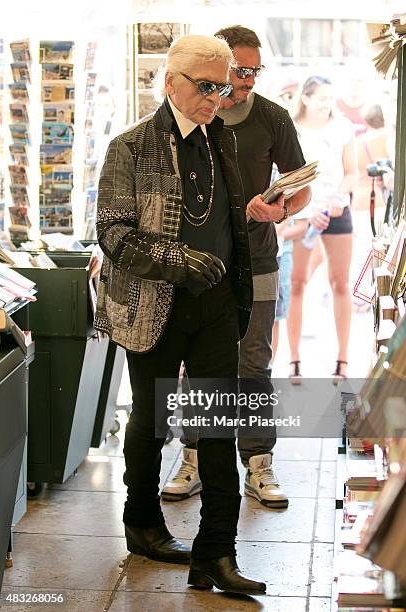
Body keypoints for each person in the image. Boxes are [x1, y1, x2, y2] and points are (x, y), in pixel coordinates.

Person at [95, 34, 265, 595]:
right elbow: (114, 233)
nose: (219, 95)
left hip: (216, 305)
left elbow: (230, 220)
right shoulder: (131, 147)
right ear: (172, 83)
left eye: (225, 84)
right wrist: (182, 260)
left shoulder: (223, 141)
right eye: (207, 85)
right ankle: (142, 522)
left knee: (217, 427)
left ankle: (216, 553)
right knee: (151, 422)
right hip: (153, 304)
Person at [162, 25, 310, 509]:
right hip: (199, 264)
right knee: (197, 368)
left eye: (254, 71)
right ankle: (196, 456)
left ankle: (259, 462)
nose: (246, 80)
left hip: (258, 260)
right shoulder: (189, 115)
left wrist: (281, 210)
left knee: (253, 363)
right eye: (238, 71)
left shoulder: (273, 118)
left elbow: (300, 184)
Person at [286, 76, 357, 382]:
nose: (327, 104)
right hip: (303, 213)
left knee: (340, 283)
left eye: (331, 98)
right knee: (297, 283)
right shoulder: (292, 129)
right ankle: (294, 360)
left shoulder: (343, 128)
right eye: (321, 98)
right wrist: (308, 211)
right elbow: (287, 176)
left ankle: (342, 358)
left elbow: (352, 172)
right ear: (306, 98)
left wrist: (339, 200)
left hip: (337, 211)